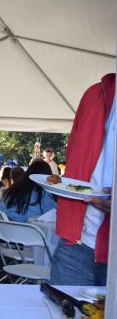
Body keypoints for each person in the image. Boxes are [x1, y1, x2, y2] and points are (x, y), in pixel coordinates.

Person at [50, 73, 114, 286]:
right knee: (62, 315)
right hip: (76, 241)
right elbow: (73, 153)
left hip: (111, 250)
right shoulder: (96, 93)